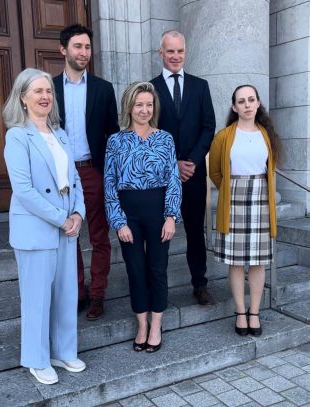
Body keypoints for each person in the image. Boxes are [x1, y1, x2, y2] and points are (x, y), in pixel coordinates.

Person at [3, 68, 86, 385]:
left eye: (48, 91)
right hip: (38, 228)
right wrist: (61, 217)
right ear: (23, 98)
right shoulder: (17, 136)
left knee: (66, 293)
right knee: (37, 298)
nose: (45, 97)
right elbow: (24, 191)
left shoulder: (60, 134)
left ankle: (63, 351)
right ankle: (37, 359)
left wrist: (77, 213)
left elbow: (74, 180)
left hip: (67, 227)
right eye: (37, 91)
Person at [104, 82, 182, 353]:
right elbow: (109, 182)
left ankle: (157, 325)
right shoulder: (116, 141)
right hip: (129, 213)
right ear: (129, 106)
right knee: (135, 270)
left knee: (157, 269)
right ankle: (142, 325)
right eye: (139, 104)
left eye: (149, 104)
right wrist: (118, 221)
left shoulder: (165, 138)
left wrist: (171, 216)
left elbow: (174, 179)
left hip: (158, 210)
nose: (144, 110)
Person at [53, 24, 119, 320]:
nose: (83, 52)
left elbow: (112, 134)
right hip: (61, 175)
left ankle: (98, 294)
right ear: (63, 49)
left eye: (87, 47)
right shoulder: (48, 88)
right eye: (77, 46)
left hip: (93, 171)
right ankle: (77, 292)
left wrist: (111, 174)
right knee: (70, 235)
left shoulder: (103, 89)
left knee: (99, 236)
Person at [209, 84, 281, 336]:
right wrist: (230, 190)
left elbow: (269, 169)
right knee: (237, 262)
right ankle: (241, 312)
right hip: (234, 201)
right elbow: (215, 171)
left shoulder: (266, 135)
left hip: (261, 200)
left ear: (258, 103)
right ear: (234, 107)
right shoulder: (224, 136)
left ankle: (255, 311)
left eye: (251, 100)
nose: (247, 104)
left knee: (259, 261)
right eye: (242, 101)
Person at [151, 30, 216, 306]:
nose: (175, 56)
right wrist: (172, 164)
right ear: (160, 53)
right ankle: (157, 286)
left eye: (180, 51)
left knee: (194, 230)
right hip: (161, 176)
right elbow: (148, 129)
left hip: (193, 172)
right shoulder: (149, 88)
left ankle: (199, 284)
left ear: (185, 52)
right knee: (159, 232)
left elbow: (208, 126)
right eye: (170, 51)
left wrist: (191, 162)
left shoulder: (200, 86)